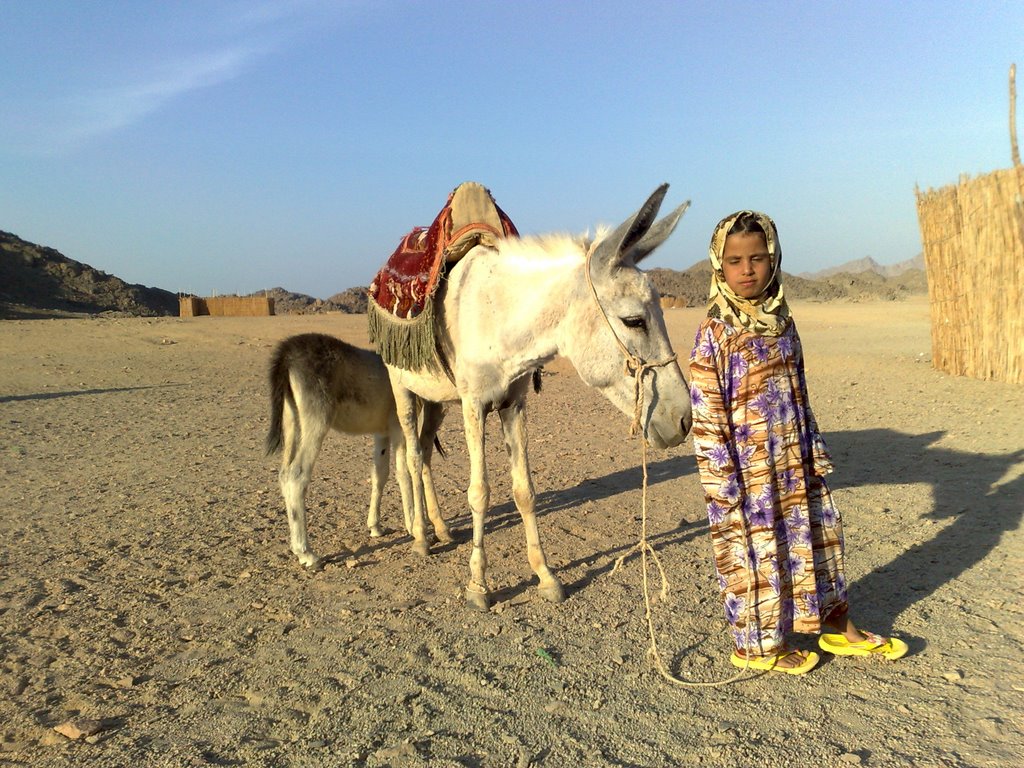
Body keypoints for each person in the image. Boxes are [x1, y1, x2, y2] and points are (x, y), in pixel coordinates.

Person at [687, 210, 908, 674]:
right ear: (718, 266)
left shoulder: (784, 324)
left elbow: (799, 392)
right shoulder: (715, 332)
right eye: (734, 261)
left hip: (793, 460)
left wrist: (812, 451)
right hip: (746, 473)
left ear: (775, 259)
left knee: (822, 537)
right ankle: (757, 647)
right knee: (756, 554)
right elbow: (707, 415)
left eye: (758, 258)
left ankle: (837, 627)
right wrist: (724, 482)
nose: (747, 270)